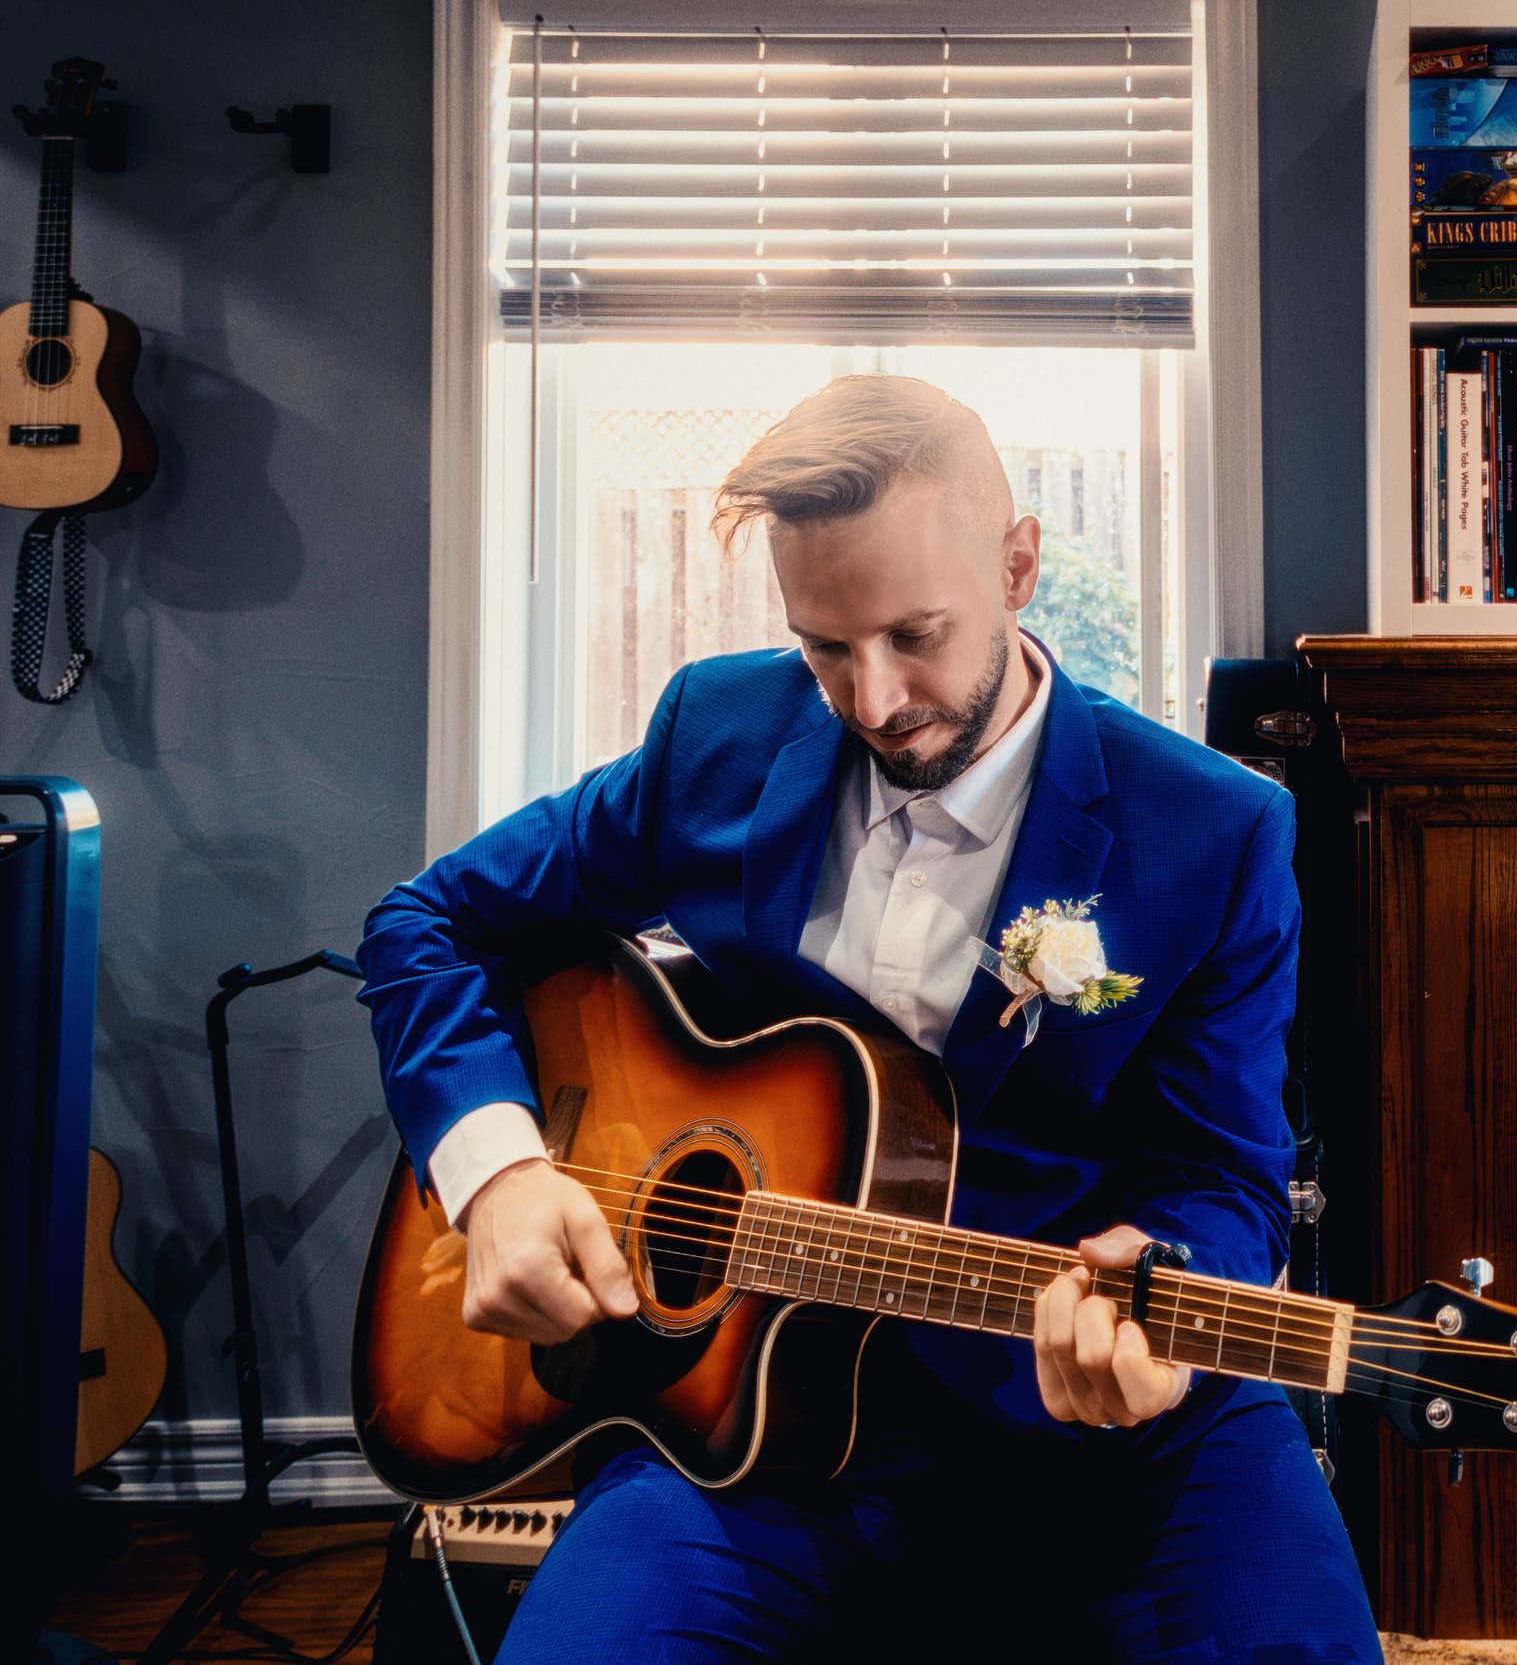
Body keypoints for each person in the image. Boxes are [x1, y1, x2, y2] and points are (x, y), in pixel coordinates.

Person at [356, 375, 1380, 1663]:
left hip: (1110, 1434)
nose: (875, 701)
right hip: (744, 1424)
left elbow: (1225, 1175)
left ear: (1019, 567)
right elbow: (424, 923)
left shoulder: (1214, 832)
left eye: (915, 635)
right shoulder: (715, 735)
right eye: (825, 647)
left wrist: (1162, 1297)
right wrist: (498, 1169)